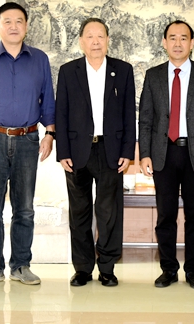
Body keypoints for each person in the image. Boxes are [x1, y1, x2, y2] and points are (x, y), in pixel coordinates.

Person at [0, 2, 56, 287]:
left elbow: (47, 98)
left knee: (24, 208)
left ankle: (21, 265)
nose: (13, 26)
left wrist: (50, 133)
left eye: (19, 21)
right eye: (7, 21)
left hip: (28, 139)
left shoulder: (39, 59)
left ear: (26, 26)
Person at [139, 20, 194, 289]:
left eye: (184, 38)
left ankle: (193, 270)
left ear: (192, 43)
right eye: (173, 38)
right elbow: (146, 119)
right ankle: (168, 269)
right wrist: (144, 153)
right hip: (163, 153)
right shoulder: (153, 76)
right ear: (164, 42)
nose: (178, 43)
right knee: (165, 215)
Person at [55, 18, 136, 287]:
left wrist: (127, 151)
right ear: (81, 42)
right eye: (89, 36)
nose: (95, 41)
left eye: (100, 36)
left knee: (109, 212)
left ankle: (107, 267)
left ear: (108, 40)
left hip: (110, 150)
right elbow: (61, 113)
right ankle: (82, 268)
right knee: (79, 212)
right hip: (77, 151)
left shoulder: (122, 70)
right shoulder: (68, 71)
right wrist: (62, 151)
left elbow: (129, 114)